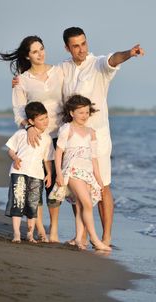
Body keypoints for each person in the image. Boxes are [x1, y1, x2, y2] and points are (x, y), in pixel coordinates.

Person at [11, 28, 145, 245]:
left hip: (97, 137)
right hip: (72, 137)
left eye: (83, 43)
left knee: (103, 186)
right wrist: (20, 81)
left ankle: (106, 237)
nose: (81, 49)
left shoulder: (98, 64)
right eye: (76, 45)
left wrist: (129, 53)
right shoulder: (63, 68)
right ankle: (80, 235)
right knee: (77, 186)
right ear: (67, 48)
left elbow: (113, 59)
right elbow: (42, 81)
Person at [0, 36, 64, 242]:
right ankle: (41, 230)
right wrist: (29, 127)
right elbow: (18, 112)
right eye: (35, 51)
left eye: (42, 49)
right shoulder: (22, 80)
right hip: (37, 138)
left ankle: (53, 230)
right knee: (37, 182)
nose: (40, 54)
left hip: (60, 136)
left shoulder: (59, 72)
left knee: (54, 186)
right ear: (28, 55)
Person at [49, 94, 111, 251]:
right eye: (81, 112)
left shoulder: (91, 132)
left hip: (88, 173)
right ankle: (96, 240)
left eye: (87, 112)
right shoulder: (66, 129)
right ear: (72, 113)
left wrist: (98, 179)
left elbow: (94, 158)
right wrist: (59, 174)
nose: (85, 115)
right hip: (72, 171)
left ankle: (78, 238)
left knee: (81, 206)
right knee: (87, 204)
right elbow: (58, 153)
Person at [5, 101, 54, 243]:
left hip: (37, 174)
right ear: (31, 121)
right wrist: (15, 158)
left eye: (46, 117)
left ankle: (30, 234)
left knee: (33, 204)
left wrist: (49, 174)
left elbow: (47, 159)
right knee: (18, 202)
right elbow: (10, 149)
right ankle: (16, 234)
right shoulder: (21, 133)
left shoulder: (47, 138)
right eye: (41, 119)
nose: (45, 121)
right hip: (19, 171)